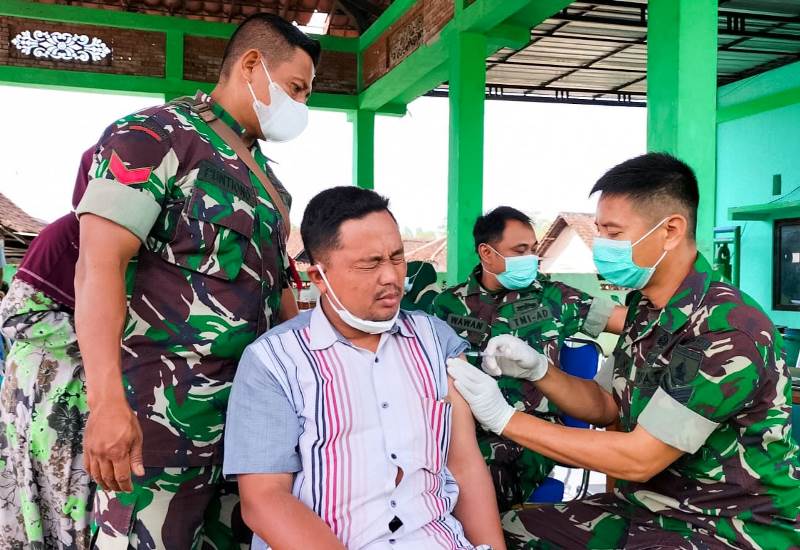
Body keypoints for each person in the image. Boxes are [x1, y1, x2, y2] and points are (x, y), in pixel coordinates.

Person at [448, 153, 800, 549]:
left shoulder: (727, 327)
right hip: (647, 507)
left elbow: (639, 457)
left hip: (725, 523)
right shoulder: (646, 308)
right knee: (507, 529)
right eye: (600, 231)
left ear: (670, 231)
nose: (601, 246)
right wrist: (540, 372)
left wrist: (504, 418)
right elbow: (606, 405)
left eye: (613, 234)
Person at [74, 14, 318, 548]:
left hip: (248, 429)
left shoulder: (269, 184)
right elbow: (99, 267)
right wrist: (106, 403)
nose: (300, 106)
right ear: (252, 66)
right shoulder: (152, 137)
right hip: (156, 423)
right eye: (296, 89)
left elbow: (279, 301)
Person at [223, 186, 506, 550]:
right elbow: (264, 500)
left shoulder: (436, 339)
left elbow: (464, 463)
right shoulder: (275, 361)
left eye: (397, 257)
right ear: (319, 277)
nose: (391, 277)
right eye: (371, 263)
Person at [430, 206, 625, 511]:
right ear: (487, 252)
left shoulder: (556, 298)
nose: (531, 259)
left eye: (533, 250)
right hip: (462, 427)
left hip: (529, 434)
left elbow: (630, 321)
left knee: (476, 477)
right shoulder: (447, 306)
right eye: (520, 250)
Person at [0, 148, 93, 549]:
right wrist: (105, 333)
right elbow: (16, 314)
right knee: (55, 497)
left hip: (83, 390)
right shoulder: (65, 236)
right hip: (45, 395)